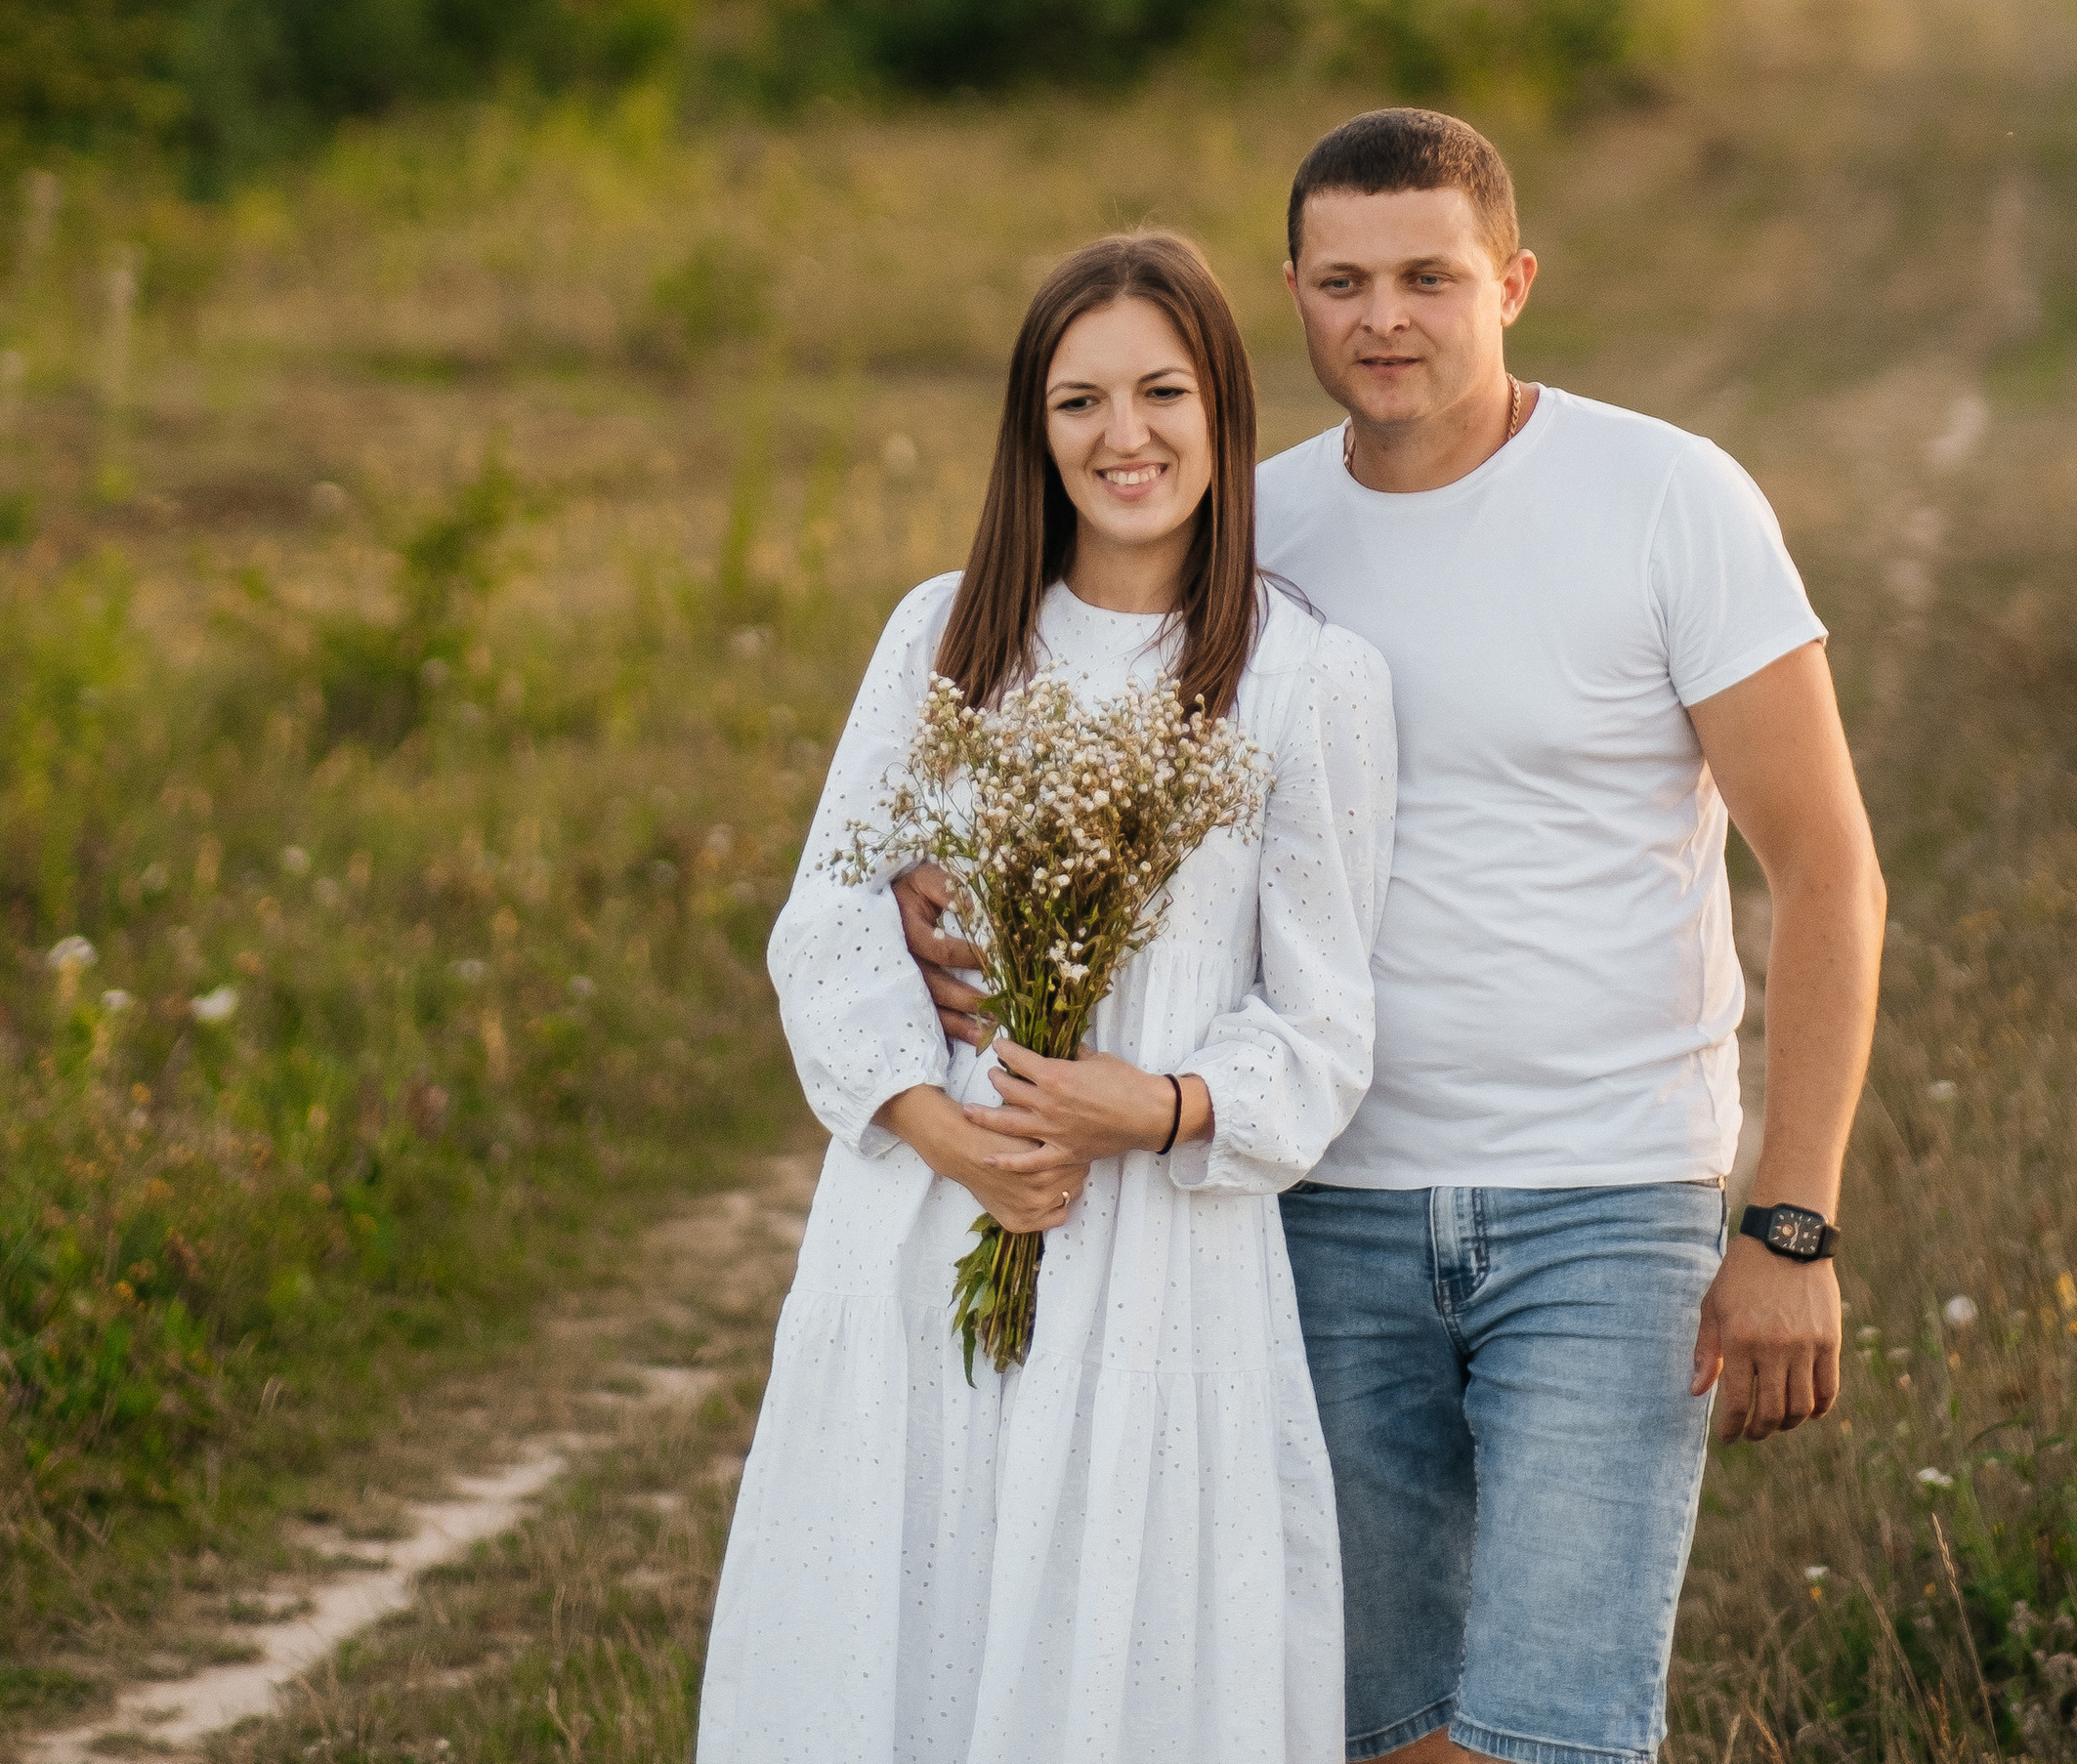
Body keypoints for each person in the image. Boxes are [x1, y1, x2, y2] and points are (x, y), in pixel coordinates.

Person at [903, 112, 1885, 1764]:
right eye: (1343, 280)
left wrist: (1790, 1225)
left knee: (1554, 1726)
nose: (1384, 319)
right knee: (1365, 1723)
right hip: (1311, 1212)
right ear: (1290, 291)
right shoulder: (1244, 534)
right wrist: (940, 885)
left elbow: (1832, 875)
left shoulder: (1666, 500)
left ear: (1511, 280)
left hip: (1606, 1201)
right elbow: (1073, 729)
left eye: (1429, 277)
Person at [699, 228, 1397, 1764]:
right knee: (911, 1613)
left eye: (1159, 392)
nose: (1122, 436)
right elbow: (827, 915)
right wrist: (942, 1132)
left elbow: (1325, 1020)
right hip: (929, 1214)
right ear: (1033, 426)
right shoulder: (947, 635)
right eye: (1077, 402)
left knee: (1117, 1648)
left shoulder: (1301, 678)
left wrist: (1148, 1107)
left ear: (1223, 407)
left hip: (1156, 1252)